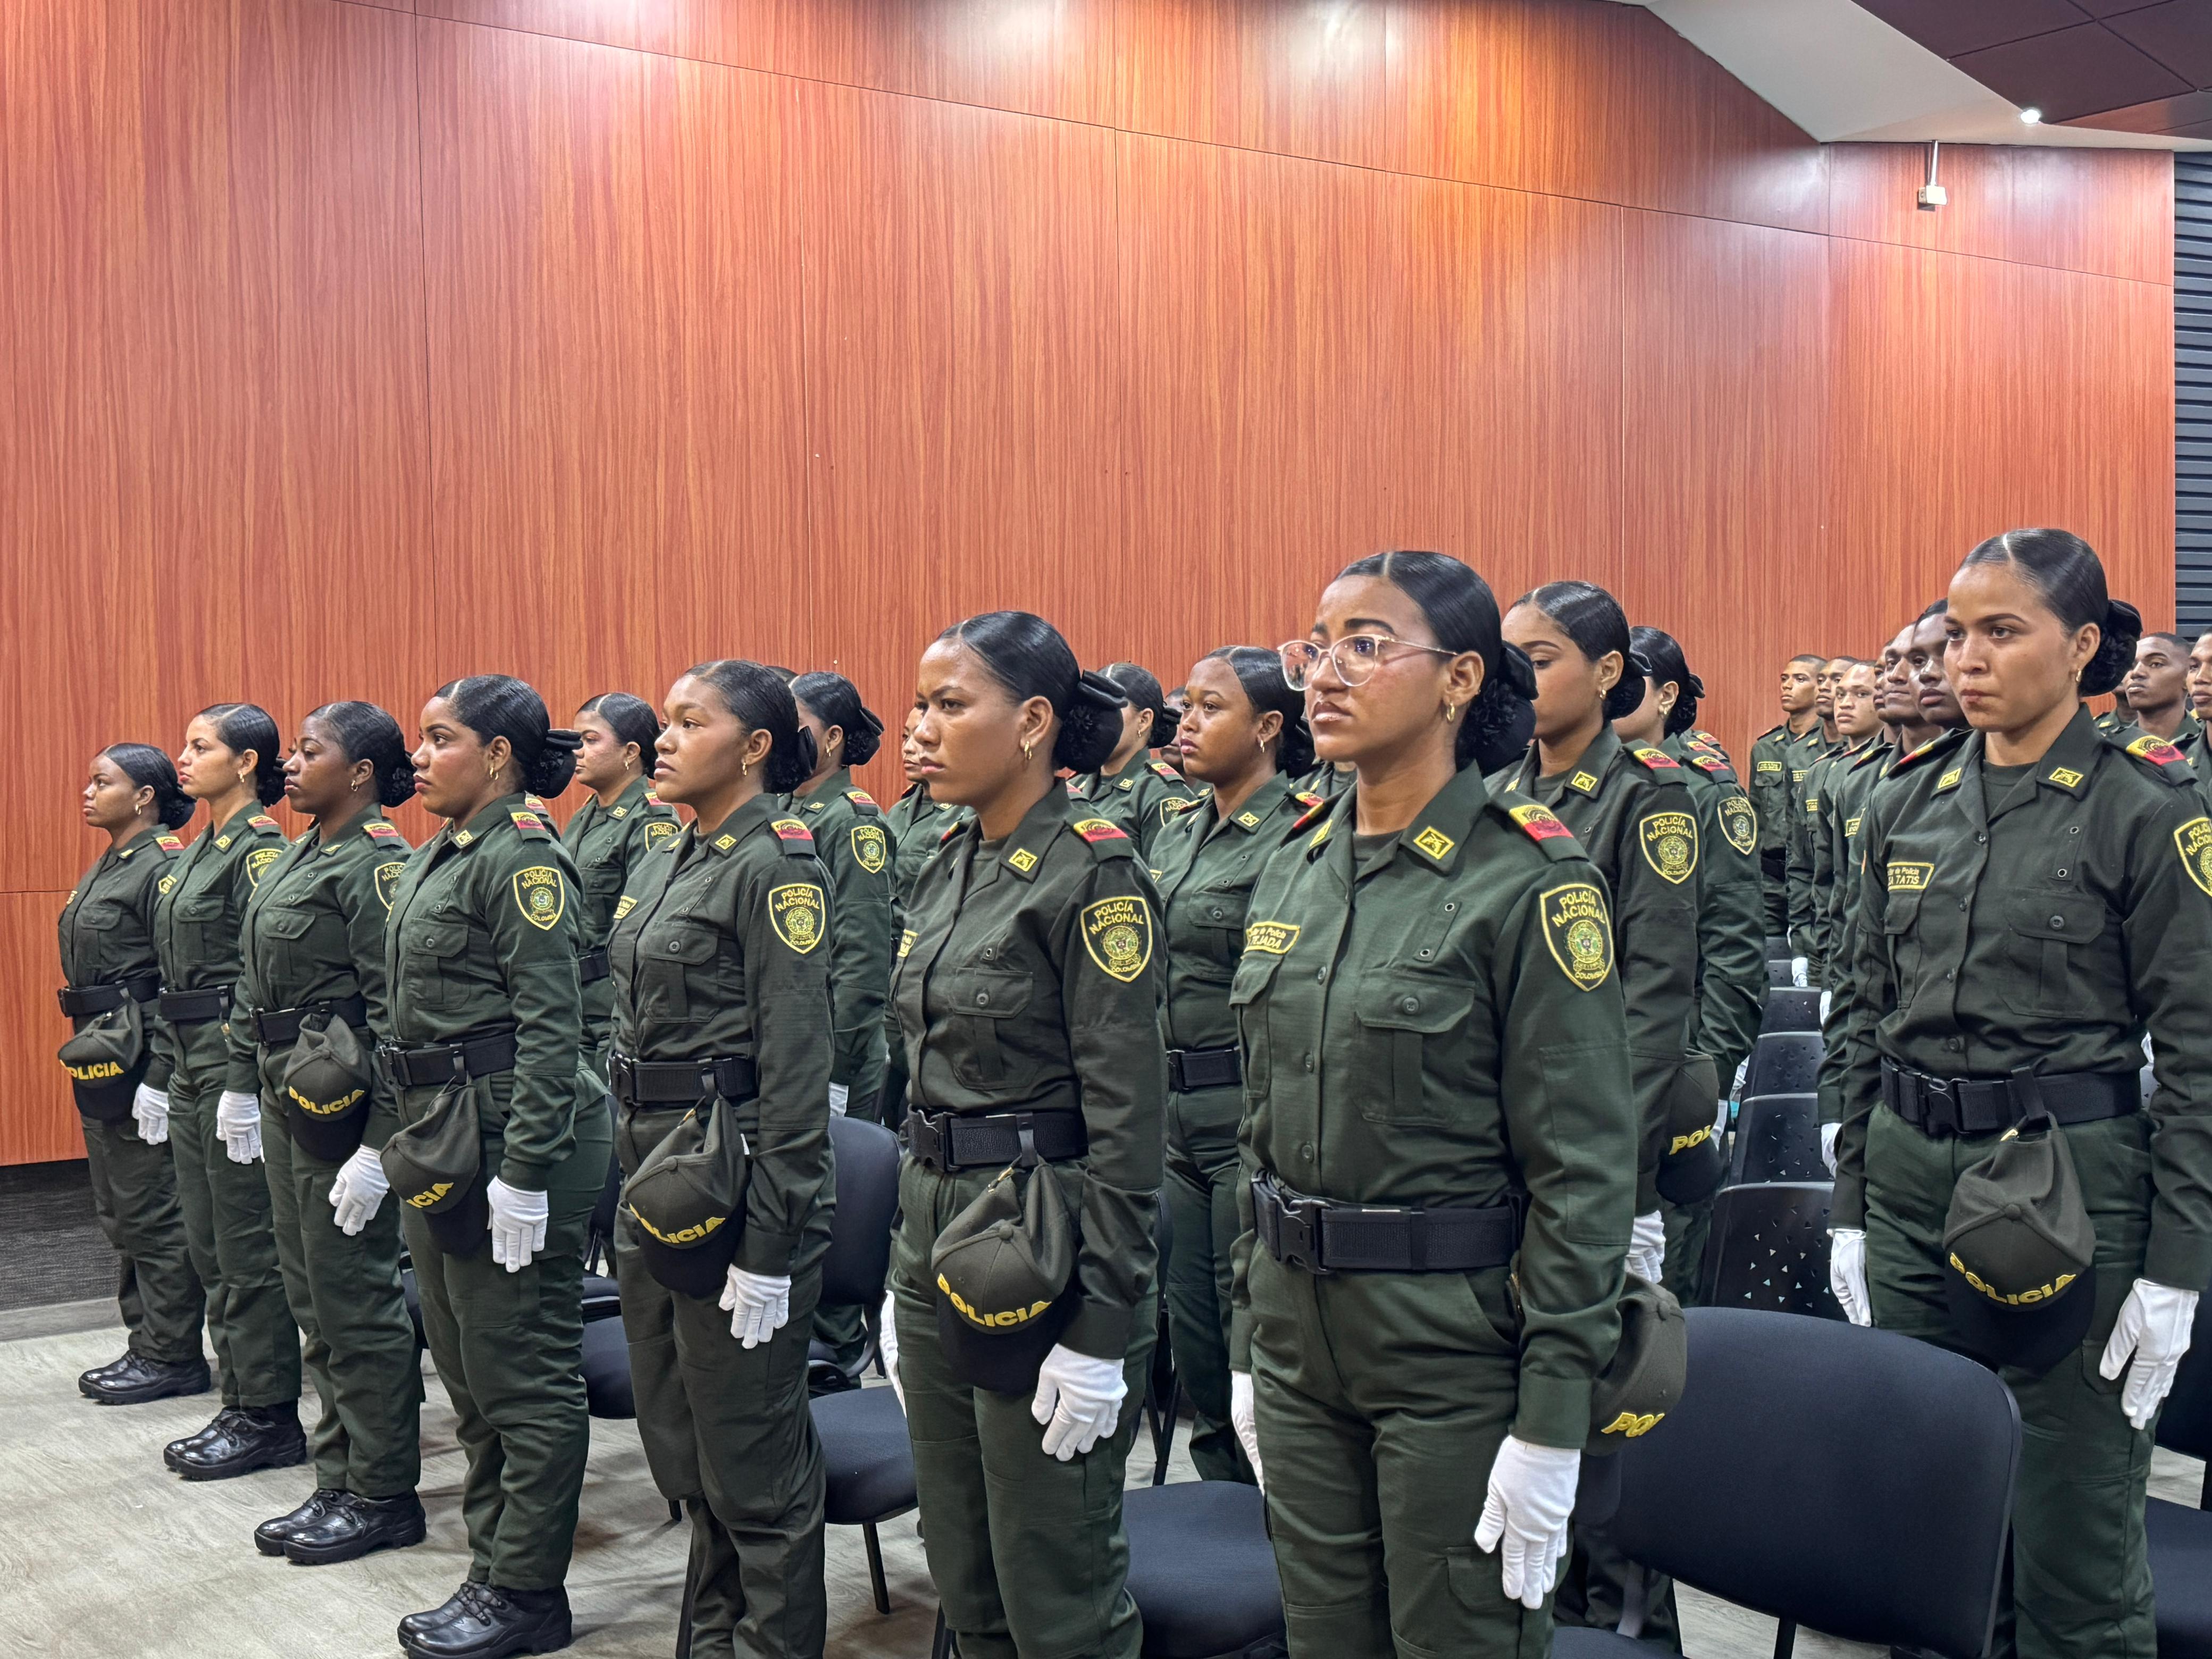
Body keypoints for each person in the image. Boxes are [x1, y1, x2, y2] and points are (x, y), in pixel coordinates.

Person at [1227, 549, 1638, 1654]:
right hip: (1298, 1337)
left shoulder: (1530, 881)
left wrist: (1553, 1420)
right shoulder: (1296, 863)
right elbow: (1256, 1124)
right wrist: (1244, 1336)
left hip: (1450, 1354)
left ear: (1459, 679)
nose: (1324, 672)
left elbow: (1583, 1170)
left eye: (1365, 644)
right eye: (1316, 646)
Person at [1829, 529, 2212, 1659]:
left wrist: (2178, 1267)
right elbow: (1862, 1010)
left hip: (2069, 1184)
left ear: (2083, 644)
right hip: (1907, 1174)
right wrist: (1849, 1196)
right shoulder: (1906, 802)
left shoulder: (2147, 811)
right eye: (1956, 634)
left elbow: (2196, 1053)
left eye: (2002, 632)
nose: (1966, 660)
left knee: (2071, 1539)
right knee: (1926, 1529)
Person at [893, 611, 1164, 1659]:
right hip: (936, 1220)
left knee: (1053, 1577)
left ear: (1035, 721)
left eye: (950, 704)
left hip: (1044, 1230)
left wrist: (1099, 1331)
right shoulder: (944, 858)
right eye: (919, 704)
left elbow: (1127, 1126)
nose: (920, 728)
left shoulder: (1091, 874)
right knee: (962, 1559)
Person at [607, 660, 836, 1659]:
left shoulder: (777, 866)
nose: (663, 738)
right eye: (663, 721)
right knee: (686, 1445)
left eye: (690, 722)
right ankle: (710, 1640)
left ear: (751, 747)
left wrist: (774, 1250)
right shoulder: (669, 856)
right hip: (654, 1176)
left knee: (754, 1464)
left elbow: (794, 1075)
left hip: (733, 1188)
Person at [382, 675, 610, 1659]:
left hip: (519, 1137)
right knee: (468, 1370)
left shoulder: (523, 859)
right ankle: (493, 1567)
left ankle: (527, 1591)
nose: (421, 757)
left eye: (440, 739)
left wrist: (527, 1171)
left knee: (523, 1374)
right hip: (449, 1131)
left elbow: (555, 1031)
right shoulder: (449, 852)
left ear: (501, 755)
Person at [235, 702, 426, 1564]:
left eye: (312, 753)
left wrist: (380, 1145)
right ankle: (338, 1477)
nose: (293, 765)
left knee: (356, 1301)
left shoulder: (378, 865)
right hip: (288, 1094)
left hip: (344, 1109)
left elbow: (399, 1022)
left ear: (359, 773)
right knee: (313, 1296)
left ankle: (383, 1491)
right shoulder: (302, 854)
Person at [1496, 582, 1698, 1284]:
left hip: (1594, 1139)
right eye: (1508, 662)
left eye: (1541, 660)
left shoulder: (1646, 795)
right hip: (1497, 1145)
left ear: (1607, 672)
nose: (1520, 680)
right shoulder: (1495, 795)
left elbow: (1656, 993)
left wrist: (1622, 1167)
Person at [1149, 646, 1316, 1484]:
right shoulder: (1178, 832)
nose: (1187, 722)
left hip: (1246, 1118)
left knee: (1252, 1338)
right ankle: (1223, 1524)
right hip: (1173, 1121)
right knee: (1199, 1342)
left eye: (1209, 708)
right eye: (1185, 705)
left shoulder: (1298, 835)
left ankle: (1282, 1548)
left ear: (1267, 728)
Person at [149, 704, 303, 1479]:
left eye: (200, 747)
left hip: (230, 1060)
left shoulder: (260, 852)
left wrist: (243, 1079)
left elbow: (258, 977)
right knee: (209, 1242)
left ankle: (269, 1410)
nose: (184, 758)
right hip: (185, 1060)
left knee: (245, 1247)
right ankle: (238, 1397)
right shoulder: (193, 852)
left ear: (245, 763)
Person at [1619, 626, 1763, 1298]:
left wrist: (1705, 1082)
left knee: (1656, 1310)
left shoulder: (1705, 793)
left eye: (1627, 681)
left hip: (1671, 1078)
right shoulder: (1570, 790)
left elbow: (1733, 954)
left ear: (1665, 695)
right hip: (1581, 1078)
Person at [61, 745, 208, 1405]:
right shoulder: (110, 864)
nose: (88, 792)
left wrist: (161, 1072)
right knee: (118, 1204)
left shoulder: (163, 869)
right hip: (100, 1047)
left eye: (104, 782)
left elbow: (179, 980)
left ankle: (171, 1352)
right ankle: (144, 1340)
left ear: (144, 795)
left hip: (141, 1048)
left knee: (152, 1206)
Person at [787, 671, 894, 1124]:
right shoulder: (780, 809)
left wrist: (838, 1071)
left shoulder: (851, 821)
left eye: (794, 724)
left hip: (837, 1052)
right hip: (792, 1048)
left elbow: (863, 956)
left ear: (831, 738)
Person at [561, 693, 677, 1076]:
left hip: (614, 1005)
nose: (577, 751)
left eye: (591, 740)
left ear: (630, 751)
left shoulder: (651, 819)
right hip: (572, 1001)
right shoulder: (584, 817)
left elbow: (649, 925)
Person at [882, 706, 966, 1130]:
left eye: (922, 736)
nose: (912, 748)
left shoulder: (964, 814)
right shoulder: (899, 812)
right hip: (895, 980)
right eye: (906, 736)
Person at [1797, 662, 1881, 986]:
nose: (1844, 703)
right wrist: (1809, 949)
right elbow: (1812, 869)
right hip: (1834, 944)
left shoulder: (1897, 770)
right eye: (1841, 694)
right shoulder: (1827, 772)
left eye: (1861, 694)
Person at [1068, 661, 1196, 852]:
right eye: (1093, 708)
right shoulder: (1075, 786)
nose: (1097, 720)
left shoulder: (1161, 793)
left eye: (1110, 710)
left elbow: (1165, 877)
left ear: (1144, 720)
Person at [1749, 655, 1824, 938]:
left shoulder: (1831, 747)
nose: (1787, 686)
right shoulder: (1766, 747)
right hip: (1770, 876)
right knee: (1767, 951)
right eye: (1785, 679)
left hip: (1812, 875)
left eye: (1800, 679)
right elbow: (1755, 813)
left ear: (1821, 687)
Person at [2121, 633, 2198, 744]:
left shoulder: (2207, 745)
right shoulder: (2109, 749)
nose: (2136, 673)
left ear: (2188, 677)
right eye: (2130, 666)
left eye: (2156, 664)